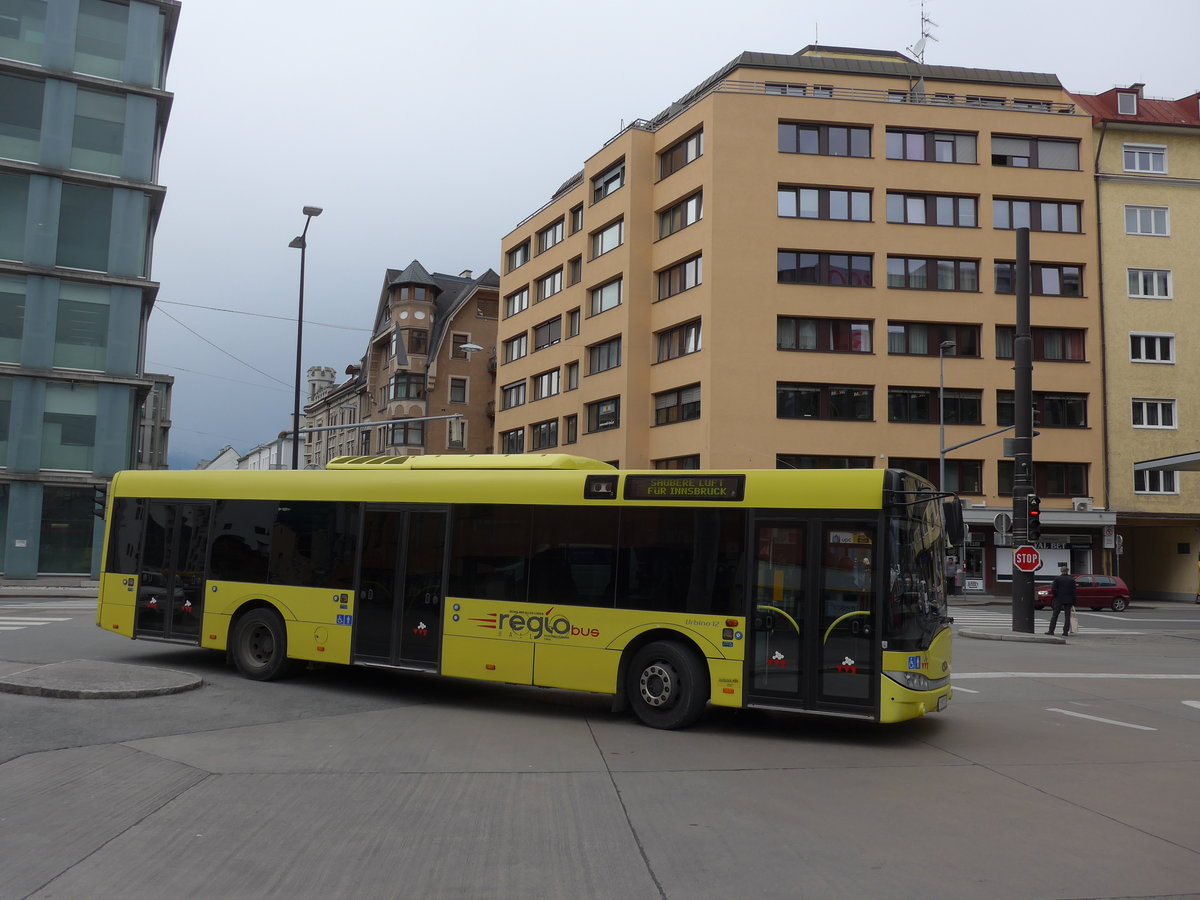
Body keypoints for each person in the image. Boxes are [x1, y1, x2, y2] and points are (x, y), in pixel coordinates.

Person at [1046, 563, 1076, 636]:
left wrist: (1056, 596)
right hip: (1069, 599)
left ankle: (1051, 630)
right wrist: (1074, 601)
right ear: (1067, 571)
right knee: (1067, 616)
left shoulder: (1057, 579)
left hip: (1059, 599)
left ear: (1061, 571)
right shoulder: (1071, 580)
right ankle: (1065, 632)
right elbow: (1074, 591)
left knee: (1055, 615)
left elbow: (1053, 589)